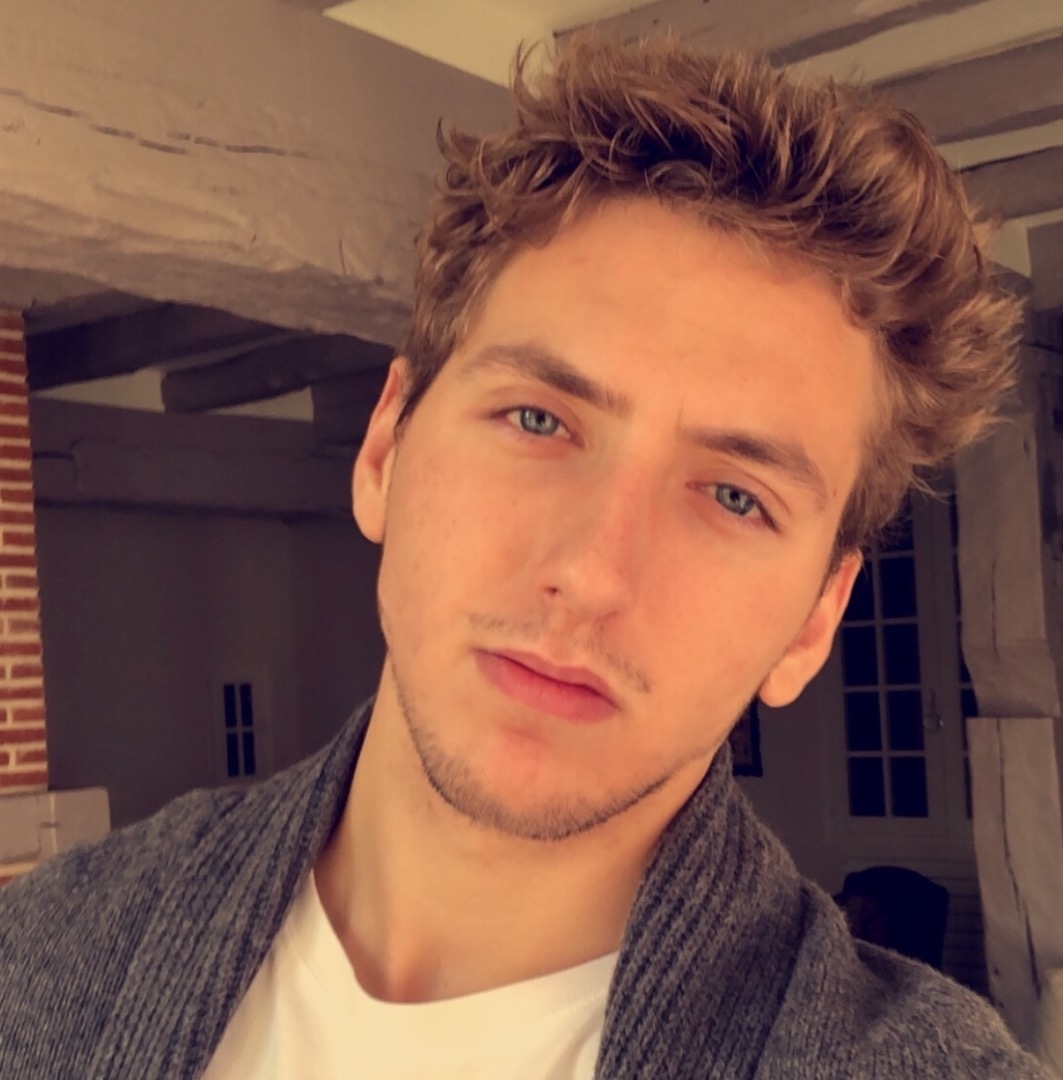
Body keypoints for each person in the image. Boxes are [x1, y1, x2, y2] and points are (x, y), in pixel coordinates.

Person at [0, 32, 1049, 1080]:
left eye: (735, 496)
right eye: (537, 420)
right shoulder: (45, 955)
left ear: (814, 622)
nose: (590, 574)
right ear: (385, 449)